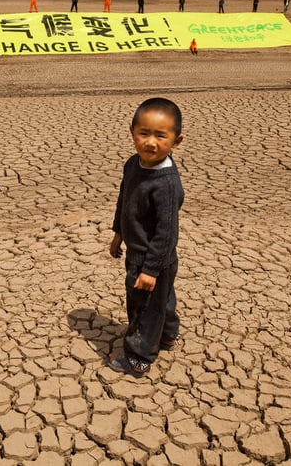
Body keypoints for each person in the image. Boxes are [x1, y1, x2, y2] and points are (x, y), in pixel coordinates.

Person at [108, 97, 185, 377]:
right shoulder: (133, 165)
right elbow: (124, 199)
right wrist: (118, 232)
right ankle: (167, 335)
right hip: (139, 249)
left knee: (143, 308)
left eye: (160, 136)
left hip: (151, 257)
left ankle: (139, 358)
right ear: (132, 132)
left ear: (176, 141)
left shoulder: (165, 183)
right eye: (144, 133)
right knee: (162, 301)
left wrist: (150, 269)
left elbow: (167, 233)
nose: (150, 142)